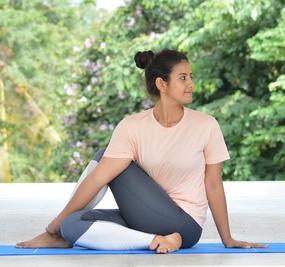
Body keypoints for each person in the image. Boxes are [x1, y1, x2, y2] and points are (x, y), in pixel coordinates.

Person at [16, 49, 268, 254]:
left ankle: (172, 238)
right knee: (73, 225)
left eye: (191, 76)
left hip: (185, 225)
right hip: (144, 218)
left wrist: (228, 238)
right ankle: (152, 241)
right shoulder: (132, 126)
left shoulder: (206, 125)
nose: (191, 83)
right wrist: (59, 224)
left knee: (106, 160)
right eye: (183, 78)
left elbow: (213, 184)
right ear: (161, 84)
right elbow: (96, 179)